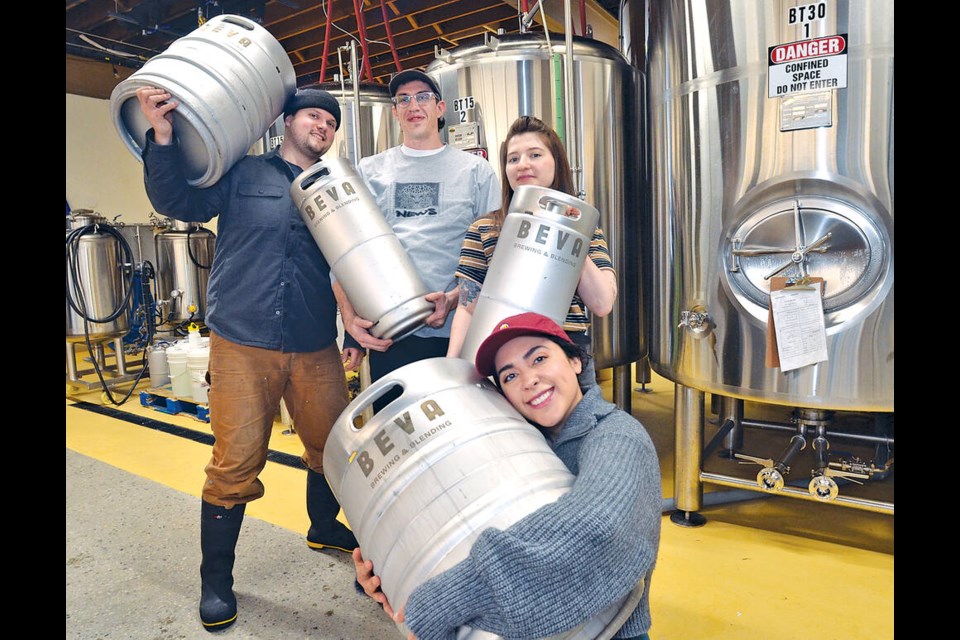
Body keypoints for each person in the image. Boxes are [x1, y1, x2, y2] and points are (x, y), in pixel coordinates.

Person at [135, 86, 364, 632]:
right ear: (287, 121)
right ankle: (216, 581)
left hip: (313, 341)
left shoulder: (336, 189)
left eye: (332, 122)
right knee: (235, 464)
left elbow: (351, 260)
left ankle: (323, 525)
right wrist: (162, 138)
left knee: (331, 447)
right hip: (243, 339)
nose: (323, 126)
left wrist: (353, 323)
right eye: (314, 115)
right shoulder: (241, 173)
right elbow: (178, 204)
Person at [353, 311, 661, 640]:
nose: (529, 380)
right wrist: (389, 576)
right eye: (510, 376)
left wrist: (445, 598)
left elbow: (594, 524)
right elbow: (453, 528)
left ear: (574, 361)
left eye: (539, 358)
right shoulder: (518, 444)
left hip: (610, 629)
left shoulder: (617, 435)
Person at [334, 69, 501, 409]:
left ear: (440, 108)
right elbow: (342, 254)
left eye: (423, 97)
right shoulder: (369, 170)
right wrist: (351, 323)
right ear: (395, 113)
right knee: (398, 436)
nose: (413, 105)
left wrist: (453, 299)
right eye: (403, 99)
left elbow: (493, 259)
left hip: (458, 333)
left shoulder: (475, 171)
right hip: (392, 333)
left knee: (457, 433)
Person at [445, 115, 618, 389]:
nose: (522, 164)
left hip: (565, 352)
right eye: (513, 159)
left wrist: (568, 228)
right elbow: (468, 308)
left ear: (556, 162)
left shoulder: (585, 227)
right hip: (505, 356)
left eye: (535, 154)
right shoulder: (484, 228)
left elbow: (601, 303)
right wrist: (453, 370)